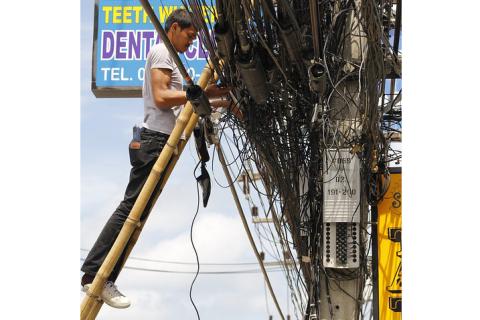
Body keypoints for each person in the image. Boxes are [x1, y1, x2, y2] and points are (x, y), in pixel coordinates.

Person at [81, 8, 230, 309]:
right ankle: (94, 274)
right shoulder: (162, 52)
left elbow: (184, 98)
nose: (191, 42)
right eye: (189, 36)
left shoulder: (171, 57)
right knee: (130, 211)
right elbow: (163, 98)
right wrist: (196, 93)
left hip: (157, 142)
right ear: (174, 28)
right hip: (152, 142)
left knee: (135, 216)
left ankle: (103, 276)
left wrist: (216, 95)